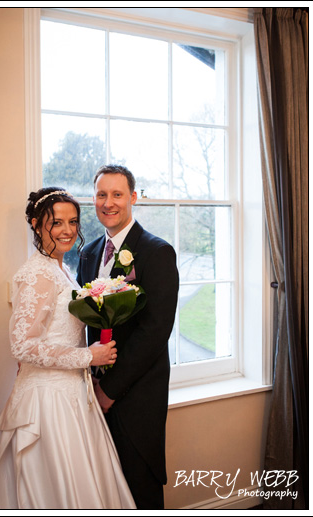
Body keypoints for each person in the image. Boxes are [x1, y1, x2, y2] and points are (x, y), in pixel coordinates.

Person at [0, 187, 136, 510]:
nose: (68, 230)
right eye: (57, 223)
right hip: (49, 402)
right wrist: (88, 357)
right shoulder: (37, 274)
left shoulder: (61, 269)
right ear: (35, 224)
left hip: (71, 391)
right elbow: (21, 345)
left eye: (73, 221)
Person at [77, 165, 179, 509]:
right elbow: (82, 321)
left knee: (140, 486)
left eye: (117, 194)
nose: (109, 203)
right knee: (104, 487)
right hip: (93, 391)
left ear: (133, 198)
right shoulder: (89, 252)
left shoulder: (156, 252)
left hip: (137, 395)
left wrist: (110, 389)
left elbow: (154, 332)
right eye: (101, 195)